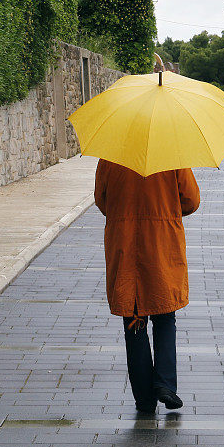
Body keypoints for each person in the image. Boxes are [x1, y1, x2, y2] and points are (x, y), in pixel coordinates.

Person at [94, 160, 200, 413]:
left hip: (125, 242)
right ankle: (165, 383)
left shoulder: (112, 157)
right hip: (162, 243)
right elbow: (191, 200)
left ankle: (143, 397)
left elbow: (102, 200)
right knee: (165, 316)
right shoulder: (173, 155)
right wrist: (166, 210)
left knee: (134, 320)